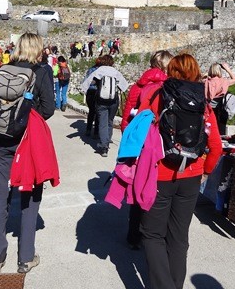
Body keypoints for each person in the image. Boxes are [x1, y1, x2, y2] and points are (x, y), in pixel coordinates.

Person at [136, 53, 222, 289]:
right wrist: (205, 170)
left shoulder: (155, 96)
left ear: (169, 71)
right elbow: (216, 145)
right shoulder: (202, 103)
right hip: (191, 176)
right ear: (197, 72)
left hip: (160, 173)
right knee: (178, 236)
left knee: (153, 234)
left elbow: (138, 134)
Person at [0, 32, 55, 276]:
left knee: (0, 197)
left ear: (18, 47)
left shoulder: (3, 70)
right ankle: (26, 258)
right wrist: (26, 118)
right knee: (30, 197)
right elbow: (49, 109)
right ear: (38, 49)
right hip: (27, 143)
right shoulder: (41, 72)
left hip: (1, 141)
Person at [120, 50, 173, 250]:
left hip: (140, 145)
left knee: (137, 185)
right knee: (158, 188)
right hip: (162, 145)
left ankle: (133, 235)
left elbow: (126, 121)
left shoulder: (138, 86)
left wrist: (135, 141)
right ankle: (153, 232)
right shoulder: (170, 87)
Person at [79, 55, 128, 157]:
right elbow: (124, 86)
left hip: (101, 100)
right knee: (110, 121)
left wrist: (84, 90)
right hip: (113, 101)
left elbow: (87, 83)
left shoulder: (99, 71)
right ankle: (107, 139)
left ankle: (104, 146)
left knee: (102, 122)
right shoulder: (115, 72)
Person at [83, 57, 103, 138]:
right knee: (98, 111)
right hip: (98, 92)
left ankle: (88, 129)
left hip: (90, 92)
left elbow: (86, 80)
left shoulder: (90, 70)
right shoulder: (102, 71)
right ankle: (96, 132)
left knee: (91, 111)